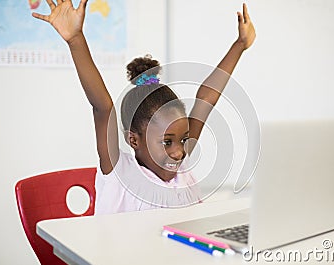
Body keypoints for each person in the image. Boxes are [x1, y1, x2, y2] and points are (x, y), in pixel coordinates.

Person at [33, 0, 256, 214]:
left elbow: (206, 99)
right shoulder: (119, 172)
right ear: (134, 140)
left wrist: (240, 45)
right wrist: (75, 40)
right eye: (167, 142)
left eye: (183, 140)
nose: (179, 152)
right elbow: (102, 107)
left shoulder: (181, 165)